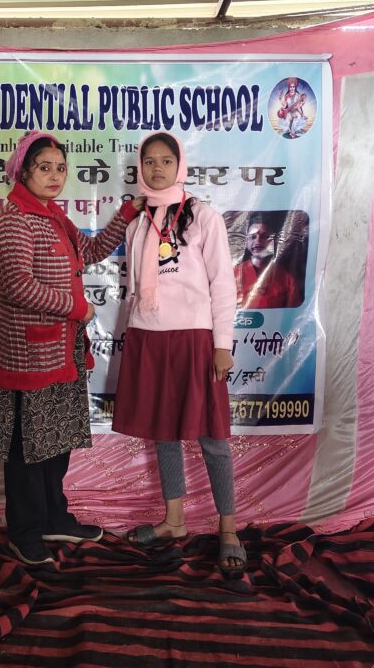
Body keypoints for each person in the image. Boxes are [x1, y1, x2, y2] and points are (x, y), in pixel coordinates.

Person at [0, 131, 144, 565]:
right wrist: (78, 308)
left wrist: (127, 213)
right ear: (23, 171)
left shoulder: (53, 215)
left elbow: (89, 251)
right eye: (45, 168)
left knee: (55, 440)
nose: (55, 176)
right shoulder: (14, 219)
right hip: (28, 353)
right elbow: (18, 286)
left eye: (60, 168)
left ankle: (54, 517)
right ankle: (25, 530)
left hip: (61, 350)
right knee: (27, 447)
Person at [111, 132, 245, 579]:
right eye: (149, 161)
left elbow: (222, 284)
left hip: (194, 339)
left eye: (165, 161)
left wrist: (222, 345)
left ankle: (229, 529)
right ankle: (174, 520)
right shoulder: (137, 223)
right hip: (149, 338)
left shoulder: (203, 216)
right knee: (163, 433)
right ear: (140, 168)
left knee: (212, 437)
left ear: (180, 166)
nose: (157, 169)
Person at [234, 217, 302, 309]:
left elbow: (294, 312)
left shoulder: (286, 277)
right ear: (246, 242)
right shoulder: (235, 274)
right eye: (253, 237)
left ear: (274, 241)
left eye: (264, 236)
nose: (258, 241)